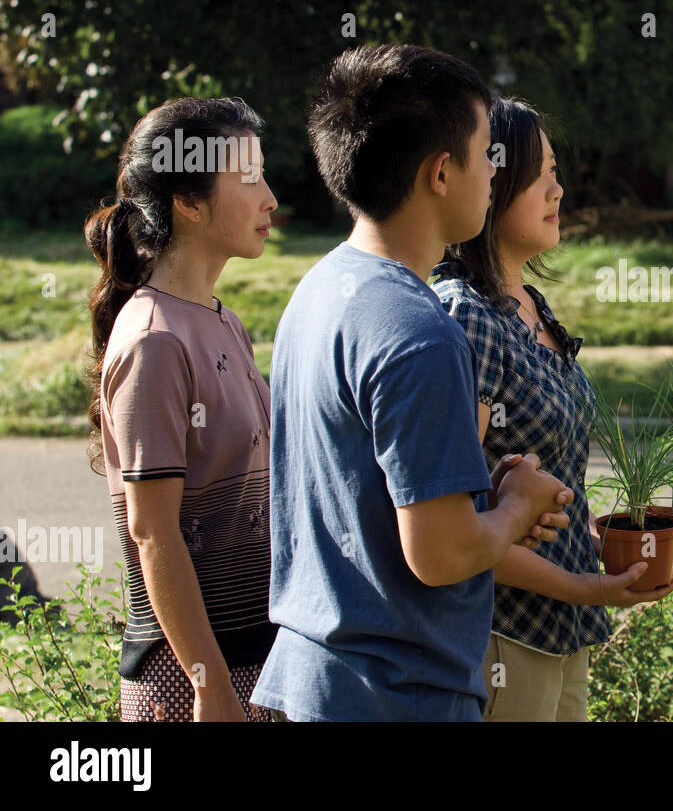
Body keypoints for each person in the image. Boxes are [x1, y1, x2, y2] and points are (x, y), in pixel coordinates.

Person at [250, 44, 573, 722]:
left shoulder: (319, 291)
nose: (496, 172)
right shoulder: (421, 331)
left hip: (315, 682)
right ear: (441, 173)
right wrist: (514, 506)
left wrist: (481, 491)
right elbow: (441, 552)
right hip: (400, 696)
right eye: (488, 152)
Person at [433, 97, 673, 722]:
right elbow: (457, 519)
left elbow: (543, 473)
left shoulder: (530, 304)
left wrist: (596, 537)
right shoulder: (467, 316)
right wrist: (589, 587)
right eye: (540, 173)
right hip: (506, 634)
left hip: (563, 632)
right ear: (492, 179)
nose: (558, 189)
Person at [84, 97, 279, 722]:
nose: (270, 198)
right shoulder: (154, 341)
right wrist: (208, 682)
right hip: (192, 682)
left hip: (259, 662)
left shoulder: (224, 321)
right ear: (189, 203)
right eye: (248, 178)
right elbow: (153, 531)